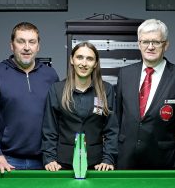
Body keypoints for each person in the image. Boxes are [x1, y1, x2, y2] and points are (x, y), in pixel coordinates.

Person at [0, 22, 59, 173]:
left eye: (32, 42)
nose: (27, 47)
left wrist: (53, 155)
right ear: (12, 45)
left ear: (38, 46)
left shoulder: (50, 75)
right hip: (7, 161)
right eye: (21, 41)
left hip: (44, 161)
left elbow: (58, 117)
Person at [116, 19, 175, 170]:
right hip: (125, 160)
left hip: (163, 162)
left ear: (166, 45)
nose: (150, 47)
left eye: (156, 42)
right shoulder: (125, 74)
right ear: (139, 44)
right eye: (145, 41)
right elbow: (117, 120)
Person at [41, 42, 118, 171]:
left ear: (95, 64)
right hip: (62, 164)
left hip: (97, 164)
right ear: (72, 60)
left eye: (89, 59)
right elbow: (49, 129)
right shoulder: (57, 90)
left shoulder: (106, 90)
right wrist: (50, 159)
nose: (84, 63)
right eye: (79, 57)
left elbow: (111, 130)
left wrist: (108, 159)